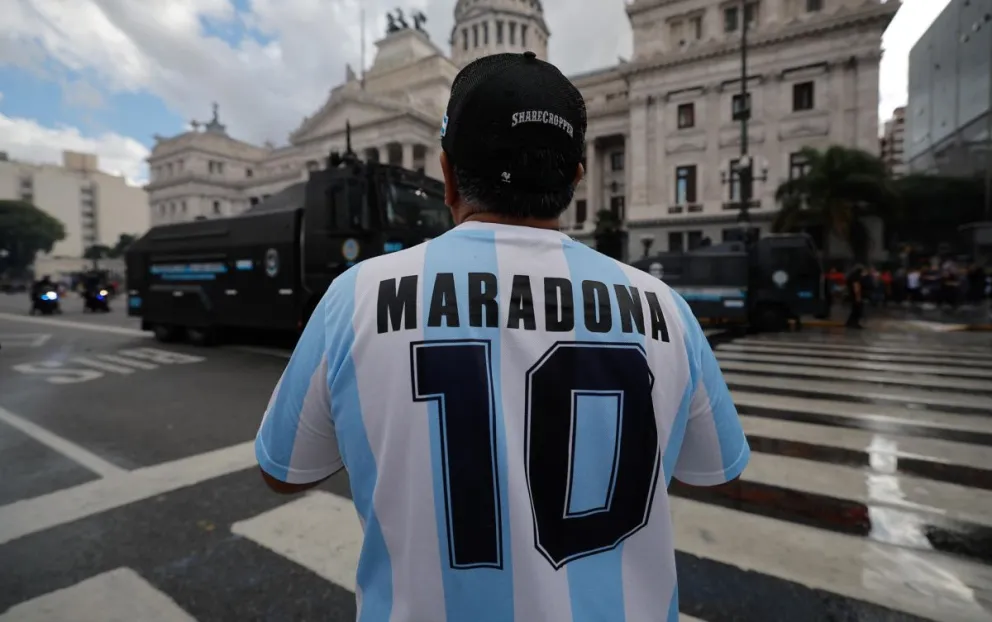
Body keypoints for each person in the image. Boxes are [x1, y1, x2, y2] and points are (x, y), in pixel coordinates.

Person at [253, 52, 750, 621]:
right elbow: (713, 468)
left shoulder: (356, 297)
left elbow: (282, 469)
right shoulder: (666, 309)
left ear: (445, 173)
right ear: (574, 177)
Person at [846, 264, 865, 328]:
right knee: (857, 310)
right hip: (855, 295)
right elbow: (856, 287)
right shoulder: (856, 277)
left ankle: (849, 322)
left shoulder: (851, 276)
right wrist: (858, 296)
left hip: (851, 294)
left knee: (854, 309)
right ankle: (854, 323)